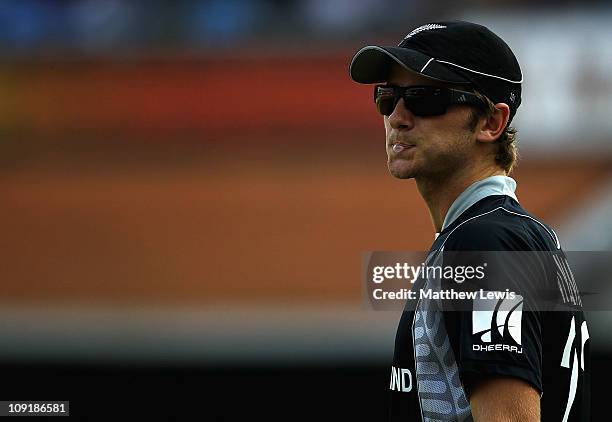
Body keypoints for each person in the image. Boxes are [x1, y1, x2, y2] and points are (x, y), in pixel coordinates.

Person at [349, 21, 590, 421]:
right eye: (388, 97)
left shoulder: (486, 241)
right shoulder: (501, 232)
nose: (399, 117)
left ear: (491, 123)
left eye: (425, 98)